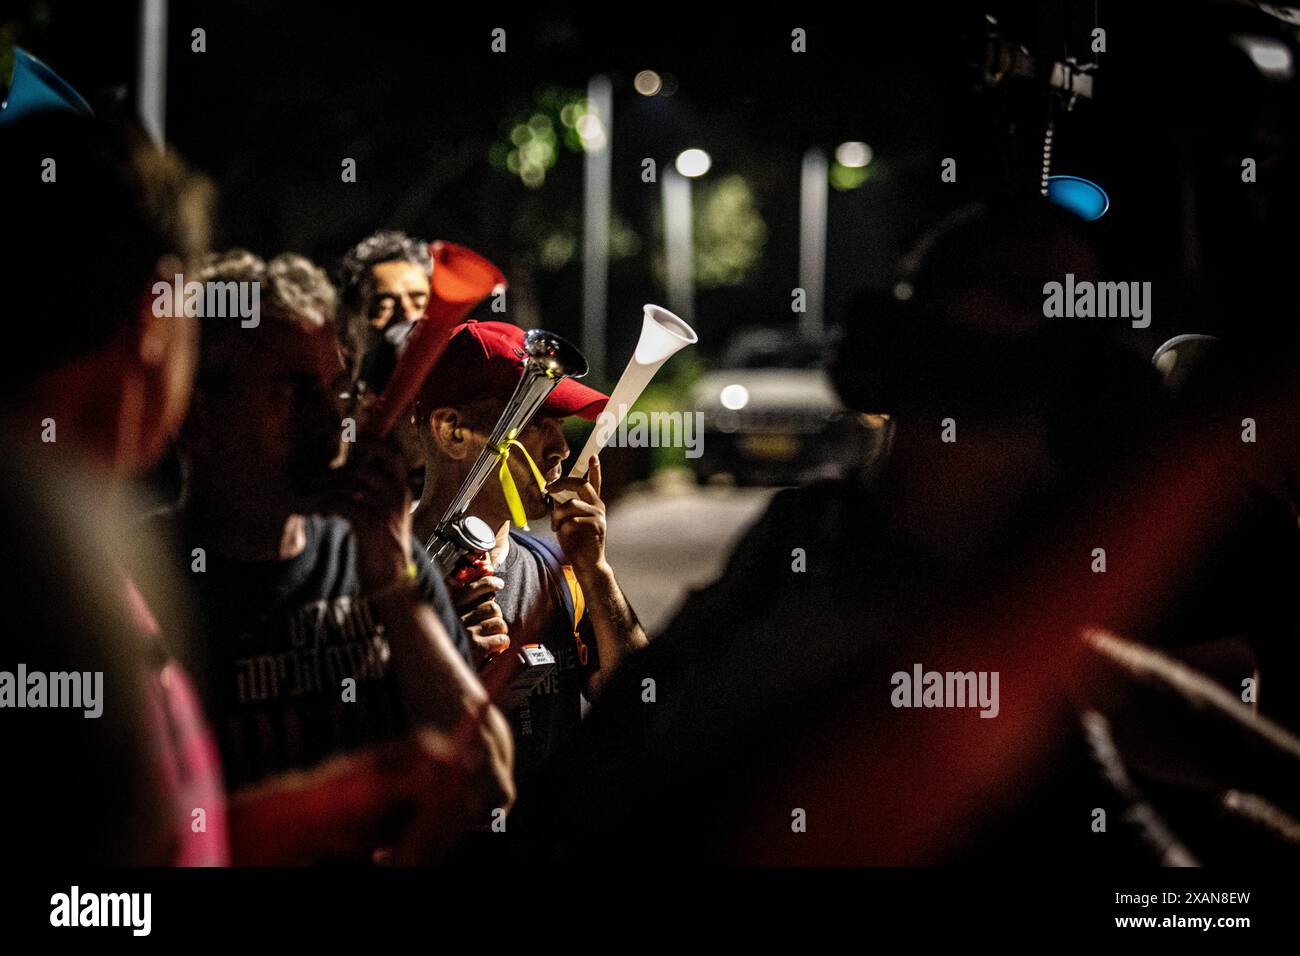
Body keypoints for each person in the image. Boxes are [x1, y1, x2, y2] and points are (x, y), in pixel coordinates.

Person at [142, 250, 515, 861]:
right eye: (291, 393)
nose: (328, 421)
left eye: (337, 390)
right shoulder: (135, 583)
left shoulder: (381, 555)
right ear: (193, 411)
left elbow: (489, 782)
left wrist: (396, 581)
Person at [410, 320, 648, 848]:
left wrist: (597, 571)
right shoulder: (373, 573)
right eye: (539, 421)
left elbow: (643, 710)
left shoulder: (557, 569)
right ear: (451, 431)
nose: (562, 448)